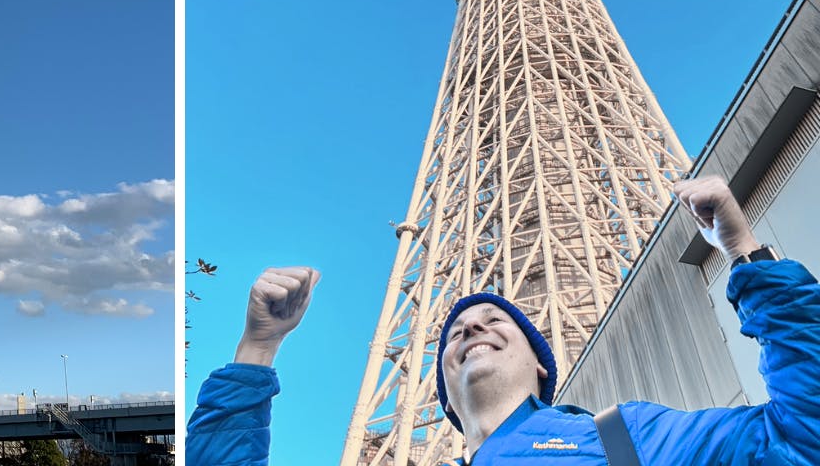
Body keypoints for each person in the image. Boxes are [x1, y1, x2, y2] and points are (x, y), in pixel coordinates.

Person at [186, 176, 820, 464]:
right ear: (442, 388)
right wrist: (258, 346)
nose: (471, 329)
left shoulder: (624, 440)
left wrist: (745, 254)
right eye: (456, 331)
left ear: (542, 364)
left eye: (498, 321)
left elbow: (803, 438)